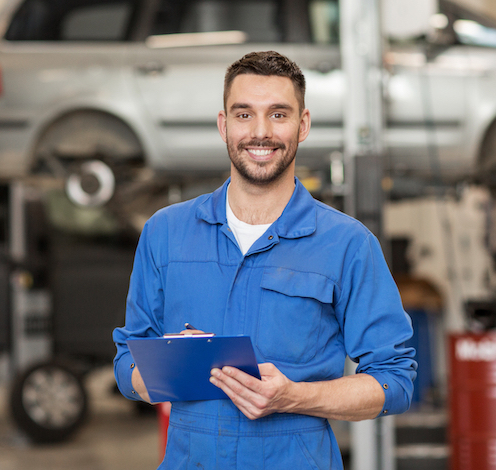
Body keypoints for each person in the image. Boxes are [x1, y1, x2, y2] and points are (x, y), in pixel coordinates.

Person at [113, 51, 416, 469]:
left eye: (278, 115)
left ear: (302, 125)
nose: (260, 132)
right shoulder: (166, 233)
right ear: (223, 125)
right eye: (243, 115)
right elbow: (128, 362)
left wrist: (296, 396)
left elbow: (394, 380)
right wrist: (177, 367)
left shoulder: (347, 244)